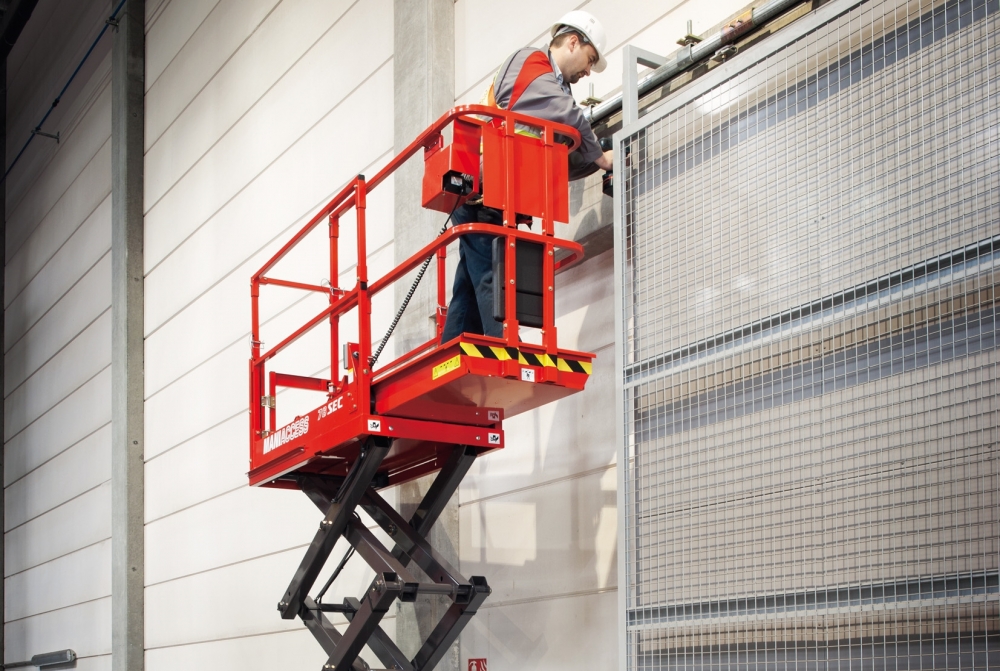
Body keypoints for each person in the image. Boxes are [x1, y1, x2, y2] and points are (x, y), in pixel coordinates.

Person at [440, 10, 614, 343]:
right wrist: (603, 159)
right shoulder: (531, 64)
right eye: (590, 59)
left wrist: (594, 163)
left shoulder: (551, 95)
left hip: (496, 194)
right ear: (573, 42)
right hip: (480, 189)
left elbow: (558, 160)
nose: (588, 71)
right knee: (493, 271)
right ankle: (506, 346)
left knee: (470, 278)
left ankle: (453, 349)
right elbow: (571, 116)